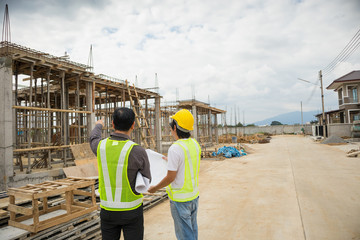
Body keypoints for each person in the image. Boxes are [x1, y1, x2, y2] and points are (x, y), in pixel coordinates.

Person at [89, 107, 151, 240]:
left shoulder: (100, 147)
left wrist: (98, 125)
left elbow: (93, 138)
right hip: (132, 211)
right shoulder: (138, 151)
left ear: (112, 124)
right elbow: (147, 178)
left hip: (108, 211)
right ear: (133, 125)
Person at [148, 109, 201, 240]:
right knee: (192, 232)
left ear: (175, 127)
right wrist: (171, 161)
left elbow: (170, 177)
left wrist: (155, 188)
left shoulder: (175, 148)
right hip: (194, 196)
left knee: (185, 236)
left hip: (180, 200)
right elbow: (187, 161)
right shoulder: (195, 144)